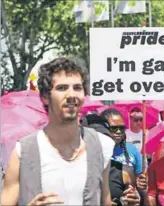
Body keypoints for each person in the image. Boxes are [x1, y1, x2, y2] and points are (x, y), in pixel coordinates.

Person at [1, 58, 114, 205]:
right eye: (62, 88)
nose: (71, 95)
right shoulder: (23, 152)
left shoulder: (101, 146)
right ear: (45, 97)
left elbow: (106, 200)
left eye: (77, 88)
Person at [82, 113, 141, 206]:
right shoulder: (72, 170)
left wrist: (132, 200)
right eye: (93, 138)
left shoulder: (124, 172)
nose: (100, 143)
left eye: (104, 137)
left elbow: (135, 198)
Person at [101, 108, 143, 176]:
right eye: (114, 128)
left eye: (121, 128)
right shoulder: (96, 151)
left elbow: (141, 178)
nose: (118, 131)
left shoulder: (132, 149)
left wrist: (140, 185)